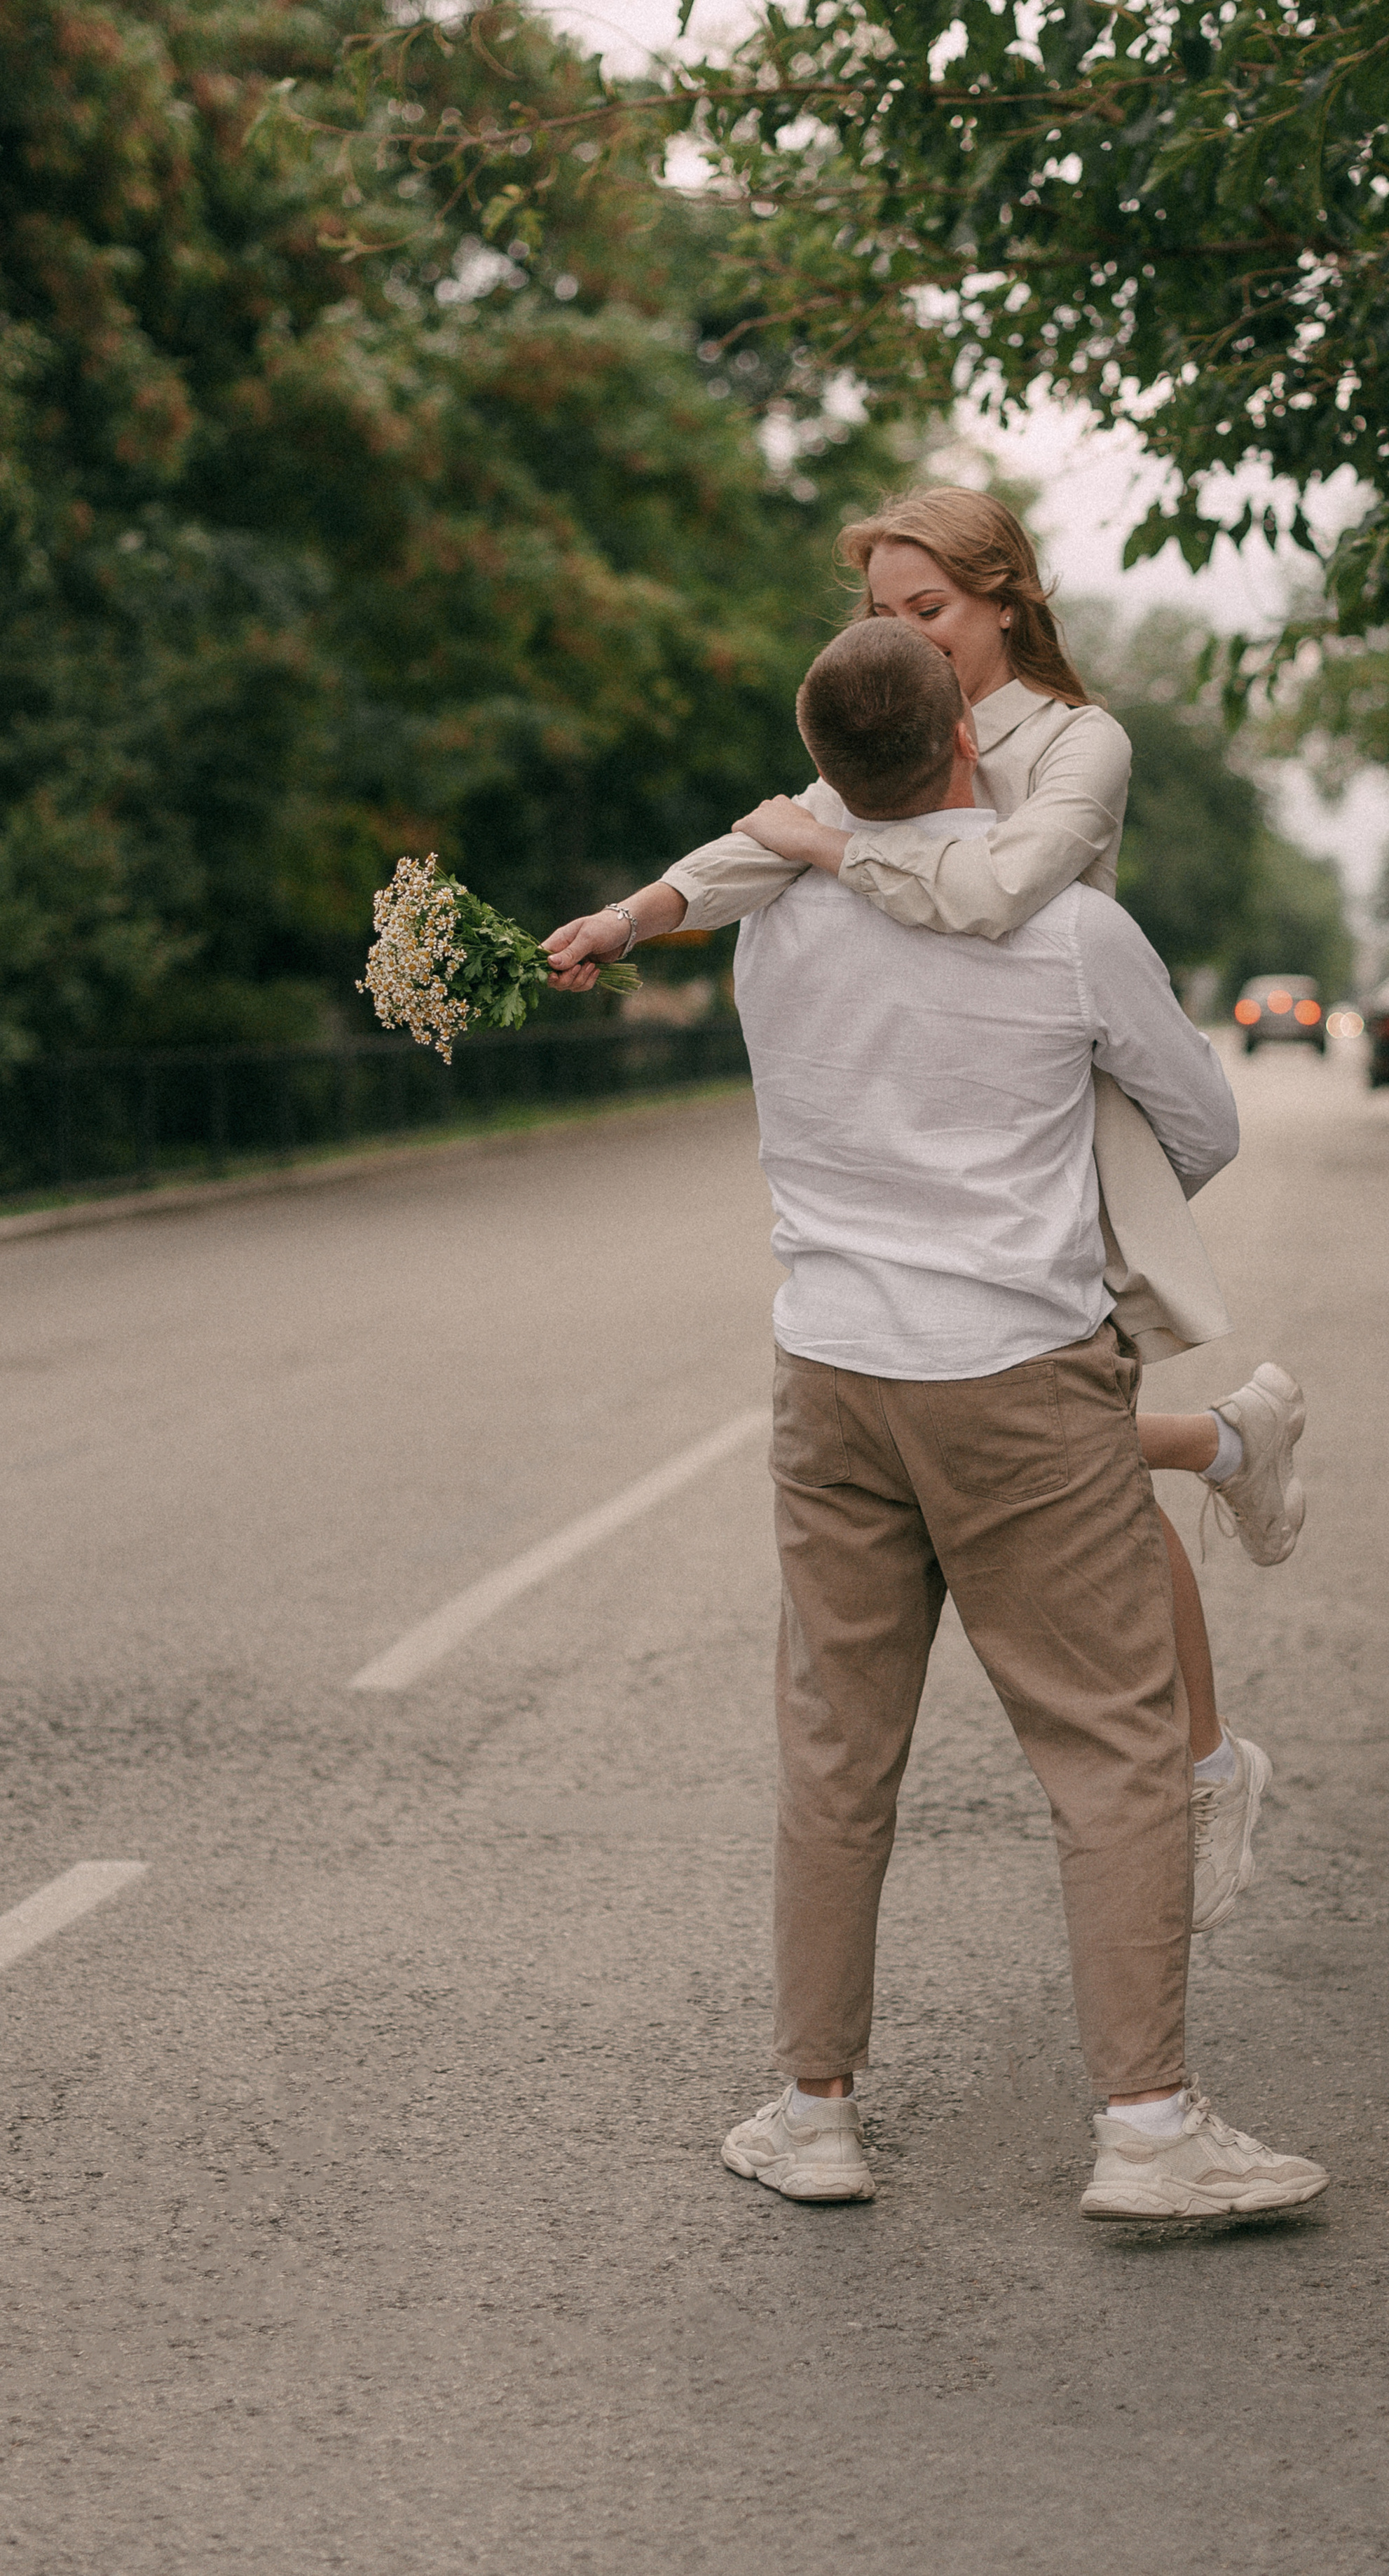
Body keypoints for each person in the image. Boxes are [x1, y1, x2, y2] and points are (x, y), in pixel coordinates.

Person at [545, 486, 1306, 1934]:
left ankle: (1201, 1766)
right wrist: (631, 917)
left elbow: (1004, 886)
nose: (901, 635)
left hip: (1050, 1109)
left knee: (1053, 1455)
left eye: (926, 610)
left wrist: (834, 848)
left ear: (1002, 600)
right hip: (956, 1104)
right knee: (1053, 1449)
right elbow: (753, 845)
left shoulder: (1077, 743)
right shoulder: (892, 727)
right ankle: (1224, 1458)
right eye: (880, 614)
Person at [707, 616, 1328, 2217]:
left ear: (824, 764)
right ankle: (1145, 2130)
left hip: (829, 1367)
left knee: (838, 1746)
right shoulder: (1064, 929)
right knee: (1114, 1745)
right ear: (968, 740)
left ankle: (811, 2110)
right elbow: (1197, 1122)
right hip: (1015, 1373)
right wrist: (1079, 1232)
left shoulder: (769, 924)